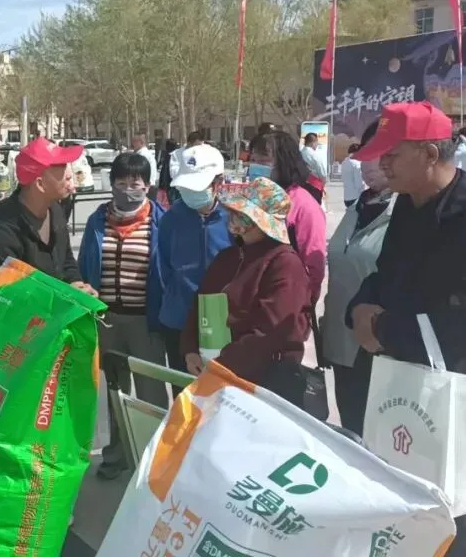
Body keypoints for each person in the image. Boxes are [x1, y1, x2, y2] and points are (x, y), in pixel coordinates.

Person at [347, 101, 466, 556]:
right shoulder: (410, 204)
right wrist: (360, 308)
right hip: (403, 380)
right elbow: (386, 273)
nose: (382, 164)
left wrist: (383, 329)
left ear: (429, 154)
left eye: (392, 154)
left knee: (453, 508)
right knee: (404, 501)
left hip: (458, 386)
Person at [78, 152, 167, 480]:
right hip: (107, 320)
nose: (128, 188)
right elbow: (84, 264)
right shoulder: (97, 221)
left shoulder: (160, 220)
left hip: (146, 322)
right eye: (121, 182)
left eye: (135, 182)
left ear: (147, 185)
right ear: (112, 183)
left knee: (151, 392)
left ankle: (154, 460)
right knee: (114, 392)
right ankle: (116, 456)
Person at [180, 178, 310, 386]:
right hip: (215, 373)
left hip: (262, 381)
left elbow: (270, 331)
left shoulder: (285, 264)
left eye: (242, 213)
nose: (234, 216)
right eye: (234, 210)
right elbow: (199, 305)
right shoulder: (227, 257)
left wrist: (222, 365)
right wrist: (190, 350)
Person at [322, 121, 393, 435]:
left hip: (382, 350)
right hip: (342, 345)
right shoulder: (358, 208)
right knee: (352, 434)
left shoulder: (406, 212)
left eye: (378, 153)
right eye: (365, 153)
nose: (366, 162)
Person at [0, 138, 97, 296]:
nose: (72, 187)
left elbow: (66, 261)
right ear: (40, 184)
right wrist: (62, 295)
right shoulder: (2, 231)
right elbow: (0, 295)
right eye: (67, 179)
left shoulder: (55, 210)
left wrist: (77, 285)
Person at [157, 144, 232, 376]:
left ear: (219, 183)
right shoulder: (171, 219)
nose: (191, 193)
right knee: (185, 393)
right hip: (179, 321)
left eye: (198, 187)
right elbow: (164, 269)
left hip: (225, 324)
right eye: (186, 187)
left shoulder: (235, 217)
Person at [248, 131, 327, 306]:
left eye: (264, 161)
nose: (256, 167)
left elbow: (313, 264)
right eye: (253, 160)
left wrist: (303, 305)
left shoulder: (303, 206)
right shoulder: (252, 199)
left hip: (285, 303)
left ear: (284, 162)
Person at [130, 134, 159, 202]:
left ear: (141, 142)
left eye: (134, 141)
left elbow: (137, 170)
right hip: (146, 185)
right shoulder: (141, 153)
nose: (132, 143)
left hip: (146, 186)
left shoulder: (143, 154)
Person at [340, 142, 365, 208]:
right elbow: (359, 184)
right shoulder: (356, 164)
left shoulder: (344, 162)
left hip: (347, 197)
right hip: (356, 197)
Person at [157, 138, 180, 204]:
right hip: (174, 183)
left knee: (171, 201)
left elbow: (164, 171)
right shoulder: (177, 155)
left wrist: (162, 184)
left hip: (168, 183)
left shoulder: (168, 156)